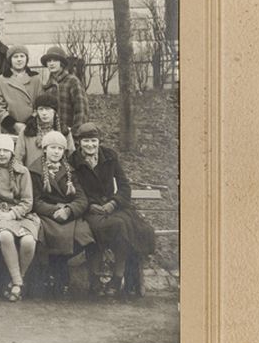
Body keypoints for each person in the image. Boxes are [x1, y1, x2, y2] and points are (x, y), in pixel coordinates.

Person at [70, 123, 155, 299]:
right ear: (79, 142)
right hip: (89, 209)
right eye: (86, 141)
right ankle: (96, 280)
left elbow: (124, 186)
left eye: (93, 141)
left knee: (125, 224)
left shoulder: (110, 156)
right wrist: (90, 205)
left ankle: (117, 278)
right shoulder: (73, 161)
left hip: (112, 206)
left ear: (99, 141)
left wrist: (113, 203)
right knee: (106, 227)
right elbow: (75, 190)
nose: (90, 145)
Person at [29, 131, 94, 299]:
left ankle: (58, 271)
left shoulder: (70, 171)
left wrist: (68, 210)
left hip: (68, 214)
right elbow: (35, 200)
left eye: (60, 148)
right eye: (52, 148)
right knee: (51, 235)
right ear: (45, 149)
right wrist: (53, 210)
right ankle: (58, 277)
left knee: (83, 235)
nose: (56, 152)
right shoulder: (35, 170)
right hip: (47, 215)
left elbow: (81, 198)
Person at [0, 134, 40, 302]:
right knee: (5, 236)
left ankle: (17, 279)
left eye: (5, 150)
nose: (2, 154)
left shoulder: (22, 172)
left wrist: (12, 214)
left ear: (12, 152)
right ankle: (17, 283)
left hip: (21, 214)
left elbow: (27, 201)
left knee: (28, 241)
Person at [0, 45, 44, 135]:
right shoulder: (0, 80)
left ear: (26, 59)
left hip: (32, 126)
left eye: (22, 56)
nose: (19, 59)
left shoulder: (36, 79)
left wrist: (31, 122)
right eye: (15, 57)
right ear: (10, 60)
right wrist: (14, 124)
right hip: (9, 128)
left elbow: (41, 103)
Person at [14, 93, 75, 168]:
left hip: (58, 176)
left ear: (54, 111)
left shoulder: (64, 131)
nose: (44, 113)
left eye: (47, 109)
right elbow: (18, 158)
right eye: (41, 109)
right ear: (36, 111)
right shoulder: (27, 131)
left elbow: (71, 157)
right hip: (32, 175)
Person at [41, 46, 89, 134]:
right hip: (51, 135)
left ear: (62, 63)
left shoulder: (72, 81)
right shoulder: (47, 85)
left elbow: (81, 110)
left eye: (55, 60)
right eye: (49, 61)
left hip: (69, 132)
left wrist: (75, 133)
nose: (51, 63)